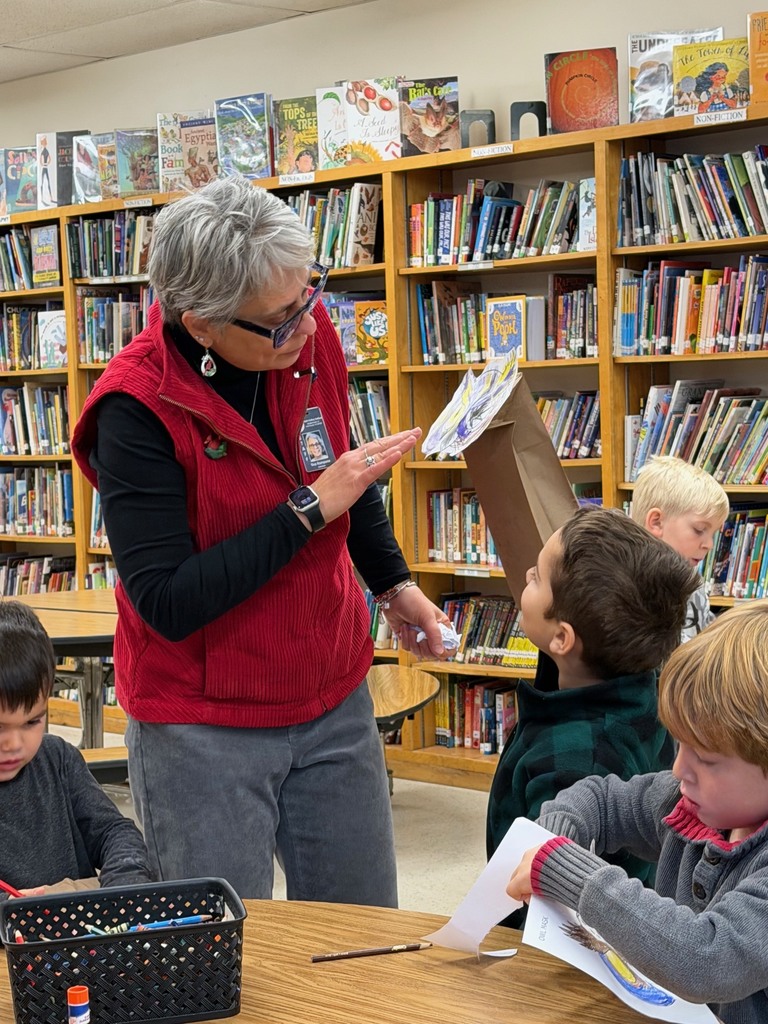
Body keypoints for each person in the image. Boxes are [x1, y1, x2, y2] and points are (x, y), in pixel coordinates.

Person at [71, 174, 450, 906]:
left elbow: (343, 473)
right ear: (201, 322)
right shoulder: (133, 409)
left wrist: (395, 585)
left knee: (362, 933)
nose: (307, 326)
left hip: (331, 687)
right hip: (202, 723)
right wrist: (308, 510)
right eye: (279, 319)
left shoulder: (305, 336)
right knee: (221, 949)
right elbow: (168, 602)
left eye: (310, 295)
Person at [507, 600, 768, 1024]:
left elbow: (705, 957)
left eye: (707, 759)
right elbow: (602, 800)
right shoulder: (691, 803)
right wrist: (555, 835)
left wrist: (574, 875)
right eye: (680, 744)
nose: (680, 769)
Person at [486, 506, 700, 888]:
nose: (526, 576)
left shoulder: (577, 760)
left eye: (537, 577)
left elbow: (548, 892)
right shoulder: (637, 677)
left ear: (563, 639)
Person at [0, 600, 153, 897]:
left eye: (32, 721)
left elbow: (113, 832)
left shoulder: (58, 759)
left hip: (78, 936)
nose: (15, 744)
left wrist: (125, 879)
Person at [631, 455, 728, 642]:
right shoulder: (623, 586)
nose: (709, 544)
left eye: (713, 534)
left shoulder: (693, 582)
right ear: (656, 522)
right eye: (699, 530)